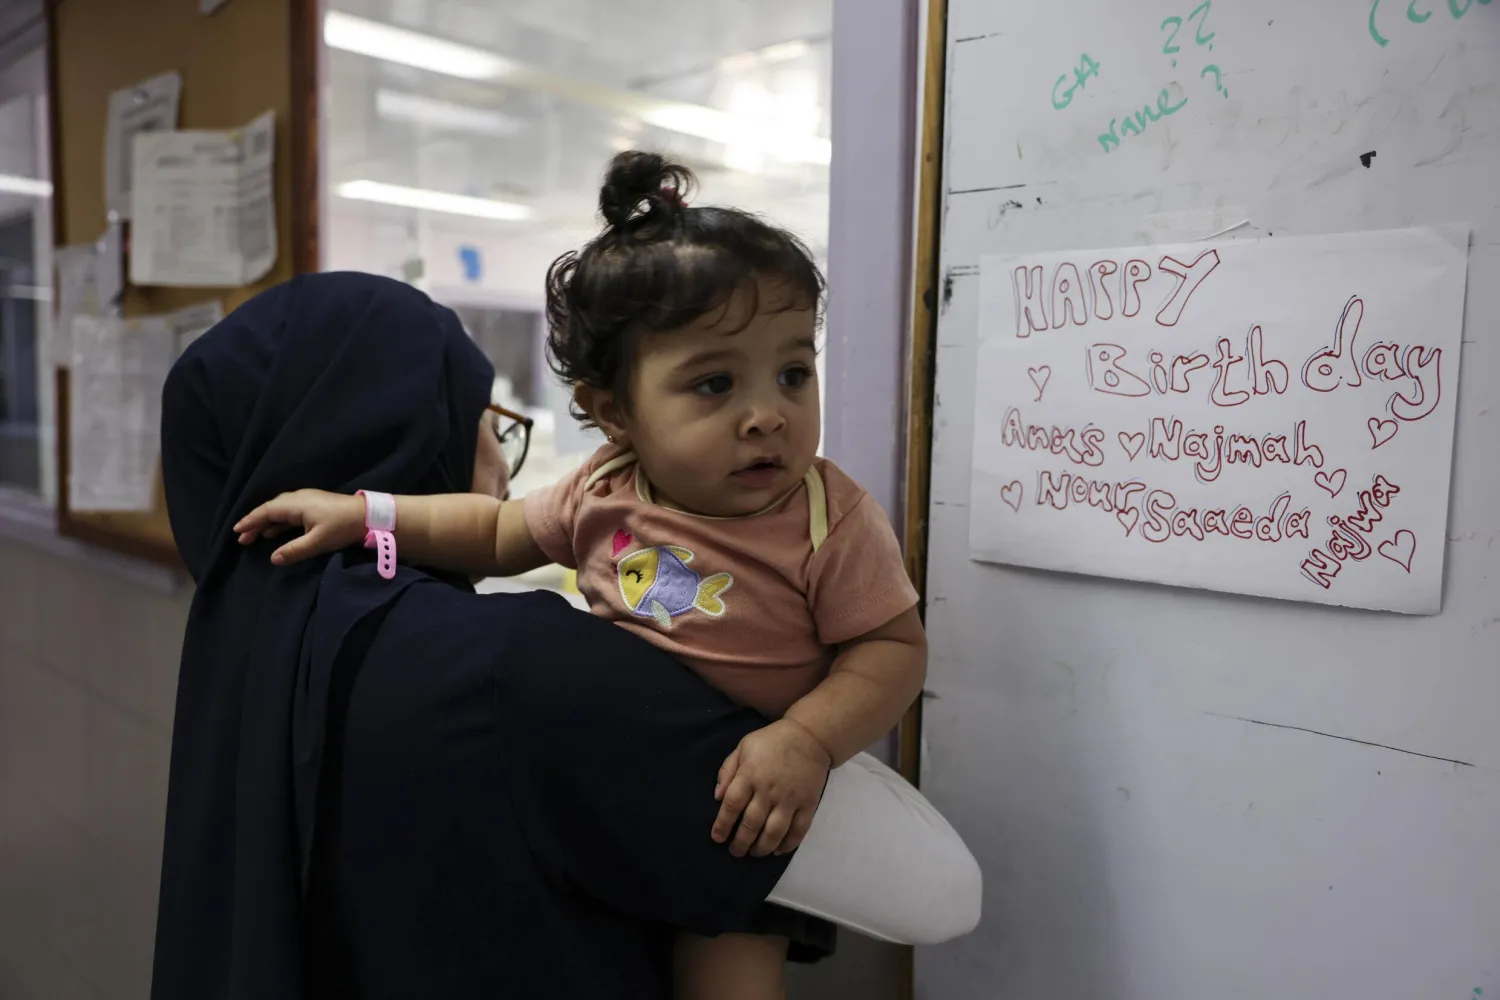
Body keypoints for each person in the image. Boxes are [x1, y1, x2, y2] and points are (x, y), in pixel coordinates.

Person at [155, 270, 980, 1000]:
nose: (501, 461)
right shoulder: (510, 668)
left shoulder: (247, 659)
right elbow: (939, 891)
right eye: (482, 418)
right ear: (409, 429)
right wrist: (808, 739)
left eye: (796, 374)